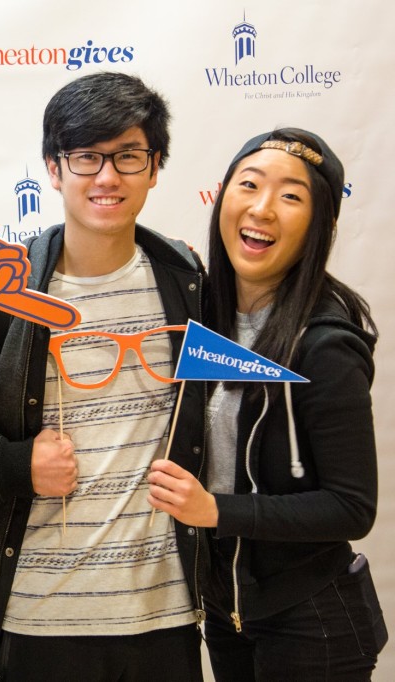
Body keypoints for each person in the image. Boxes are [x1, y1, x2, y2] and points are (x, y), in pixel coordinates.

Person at [0, 71, 207, 681]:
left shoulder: (187, 279)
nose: (107, 177)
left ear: (155, 164)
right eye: (86, 157)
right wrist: (18, 465)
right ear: (53, 167)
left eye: (128, 156)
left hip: (165, 614)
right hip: (37, 617)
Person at [148, 128, 386, 680]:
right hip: (227, 612)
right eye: (248, 184)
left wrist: (215, 512)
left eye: (291, 196)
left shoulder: (325, 344)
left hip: (313, 620)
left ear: (320, 225)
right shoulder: (200, 315)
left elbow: (353, 507)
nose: (262, 208)